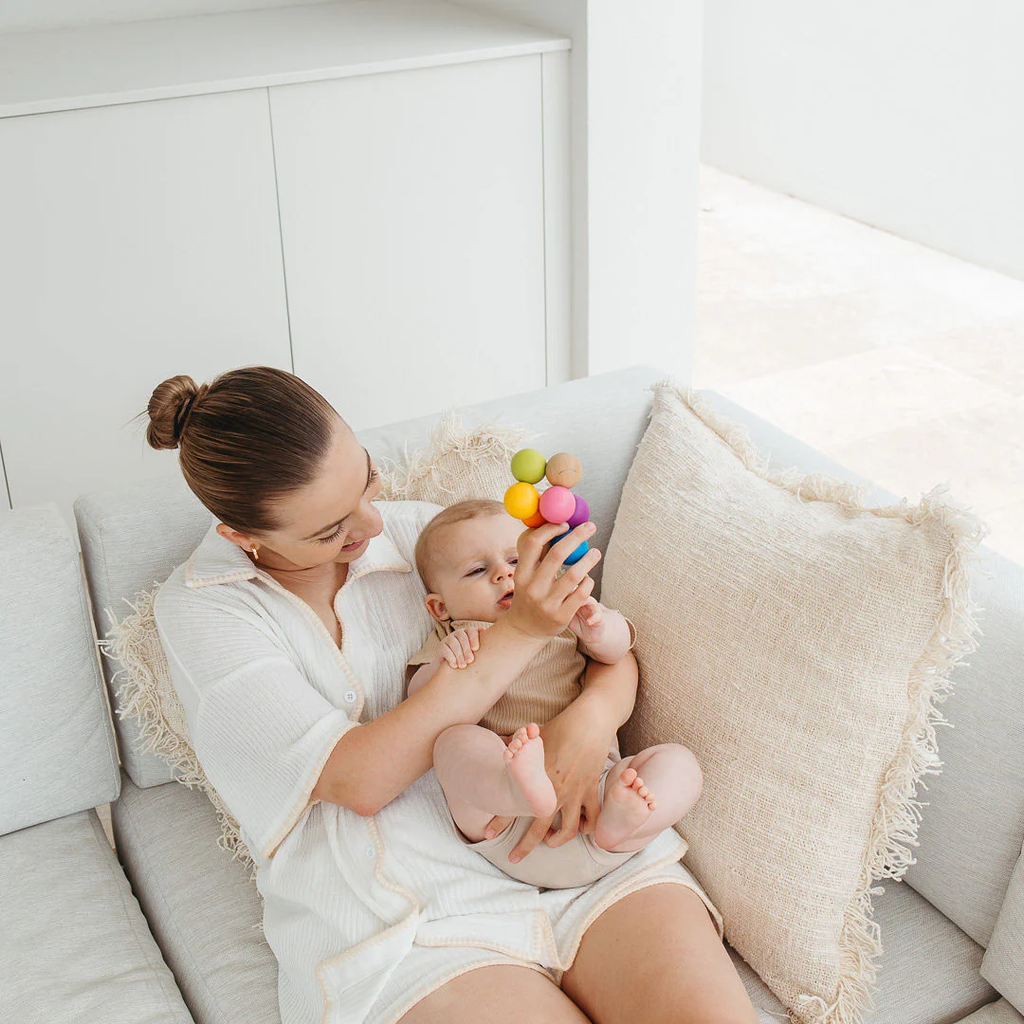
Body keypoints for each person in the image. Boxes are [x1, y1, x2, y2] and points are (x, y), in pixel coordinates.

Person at [145, 366, 759, 1024]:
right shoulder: (205, 613)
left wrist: (586, 726)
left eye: (367, 479)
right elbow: (357, 779)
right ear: (244, 537)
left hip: (586, 838)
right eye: (330, 531)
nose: (373, 522)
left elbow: (594, 648)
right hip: (408, 925)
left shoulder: (433, 536)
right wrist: (521, 631)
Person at [405, 499, 705, 888]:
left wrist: (599, 628)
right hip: (503, 821)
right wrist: (445, 662)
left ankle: (626, 820)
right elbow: (419, 704)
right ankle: (517, 787)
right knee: (453, 744)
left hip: (596, 788)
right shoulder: (456, 637)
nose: (504, 575)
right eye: (478, 570)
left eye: (516, 561)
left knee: (681, 764)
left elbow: (619, 650)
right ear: (440, 607)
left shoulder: (561, 614)